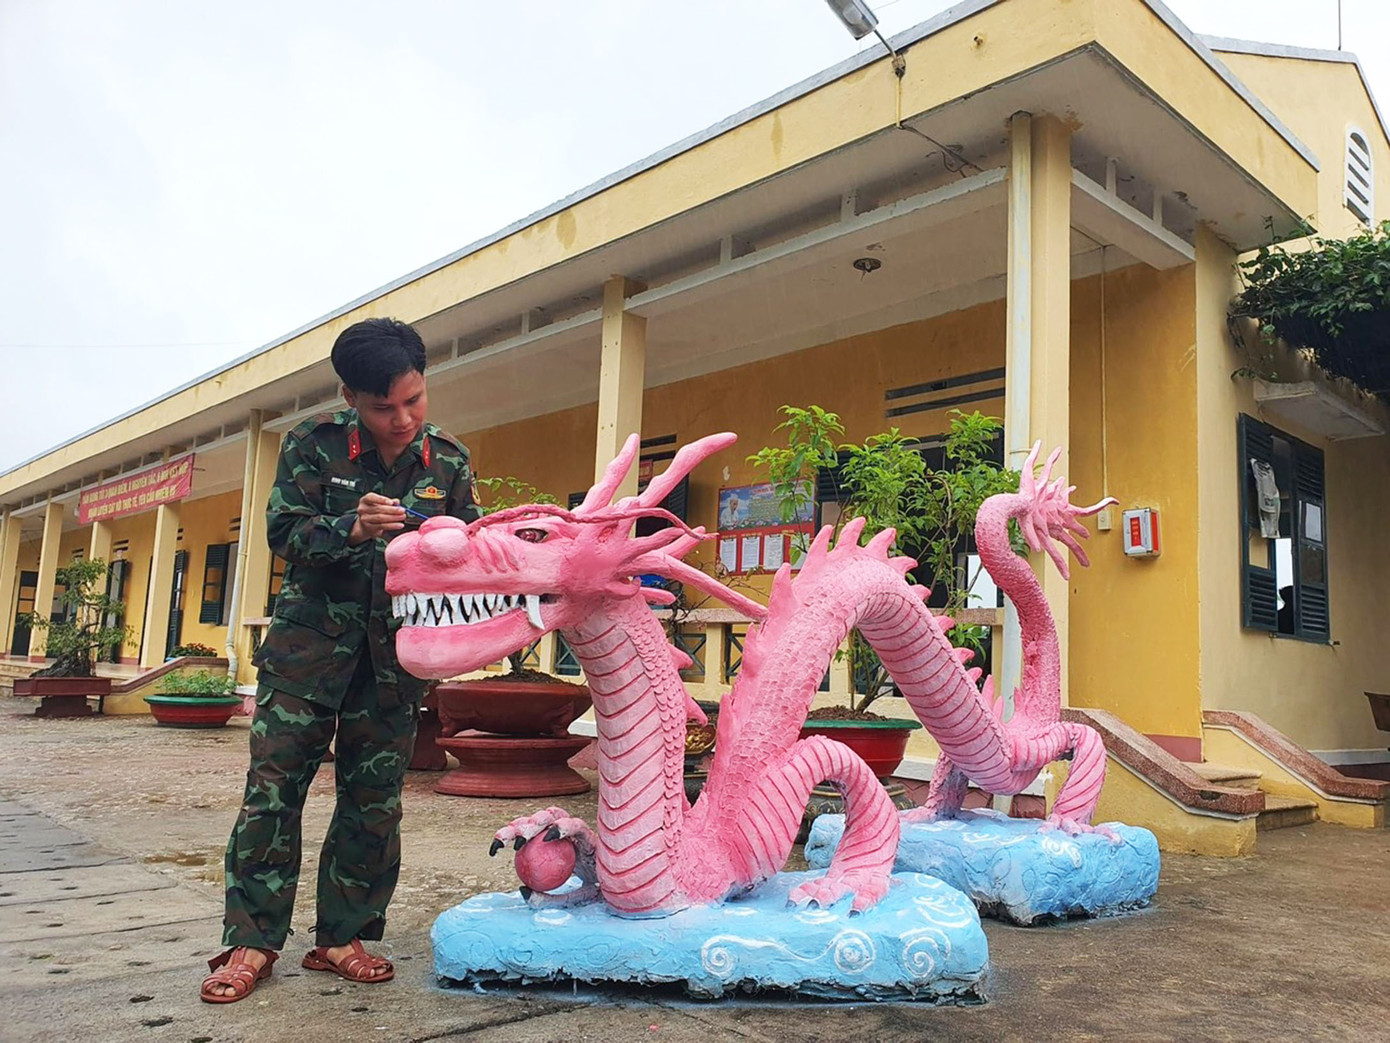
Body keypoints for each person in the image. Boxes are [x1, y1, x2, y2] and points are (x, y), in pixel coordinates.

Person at [200, 317, 480, 1003]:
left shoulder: (447, 459)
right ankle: (253, 941)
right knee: (272, 794)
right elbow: (281, 533)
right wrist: (348, 526)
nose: (404, 418)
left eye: (414, 399)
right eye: (385, 407)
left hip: (393, 663)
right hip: (306, 654)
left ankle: (341, 937)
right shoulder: (313, 443)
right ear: (349, 394)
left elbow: (470, 549)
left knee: (373, 802)